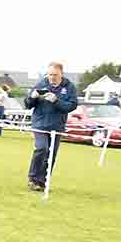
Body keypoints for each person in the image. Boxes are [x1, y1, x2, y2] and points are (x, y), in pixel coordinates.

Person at [24, 62, 78, 191]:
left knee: (51, 154)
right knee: (42, 148)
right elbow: (27, 104)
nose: (52, 77)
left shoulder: (69, 87)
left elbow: (72, 106)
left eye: (55, 75)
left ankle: (42, 181)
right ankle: (33, 179)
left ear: (61, 74)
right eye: (50, 74)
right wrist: (32, 97)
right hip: (40, 124)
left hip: (57, 126)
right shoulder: (41, 84)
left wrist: (56, 101)